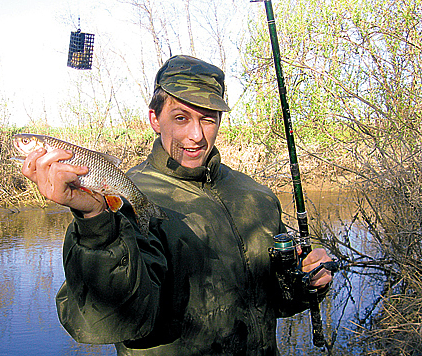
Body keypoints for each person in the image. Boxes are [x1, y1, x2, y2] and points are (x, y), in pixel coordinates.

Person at [21, 55, 333, 355]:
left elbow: (274, 299)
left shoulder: (257, 196)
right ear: (155, 119)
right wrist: (94, 221)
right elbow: (105, 322)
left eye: (207, 120)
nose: (195, 135)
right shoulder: (123, 201)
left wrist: (305, 281)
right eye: (181, 118)